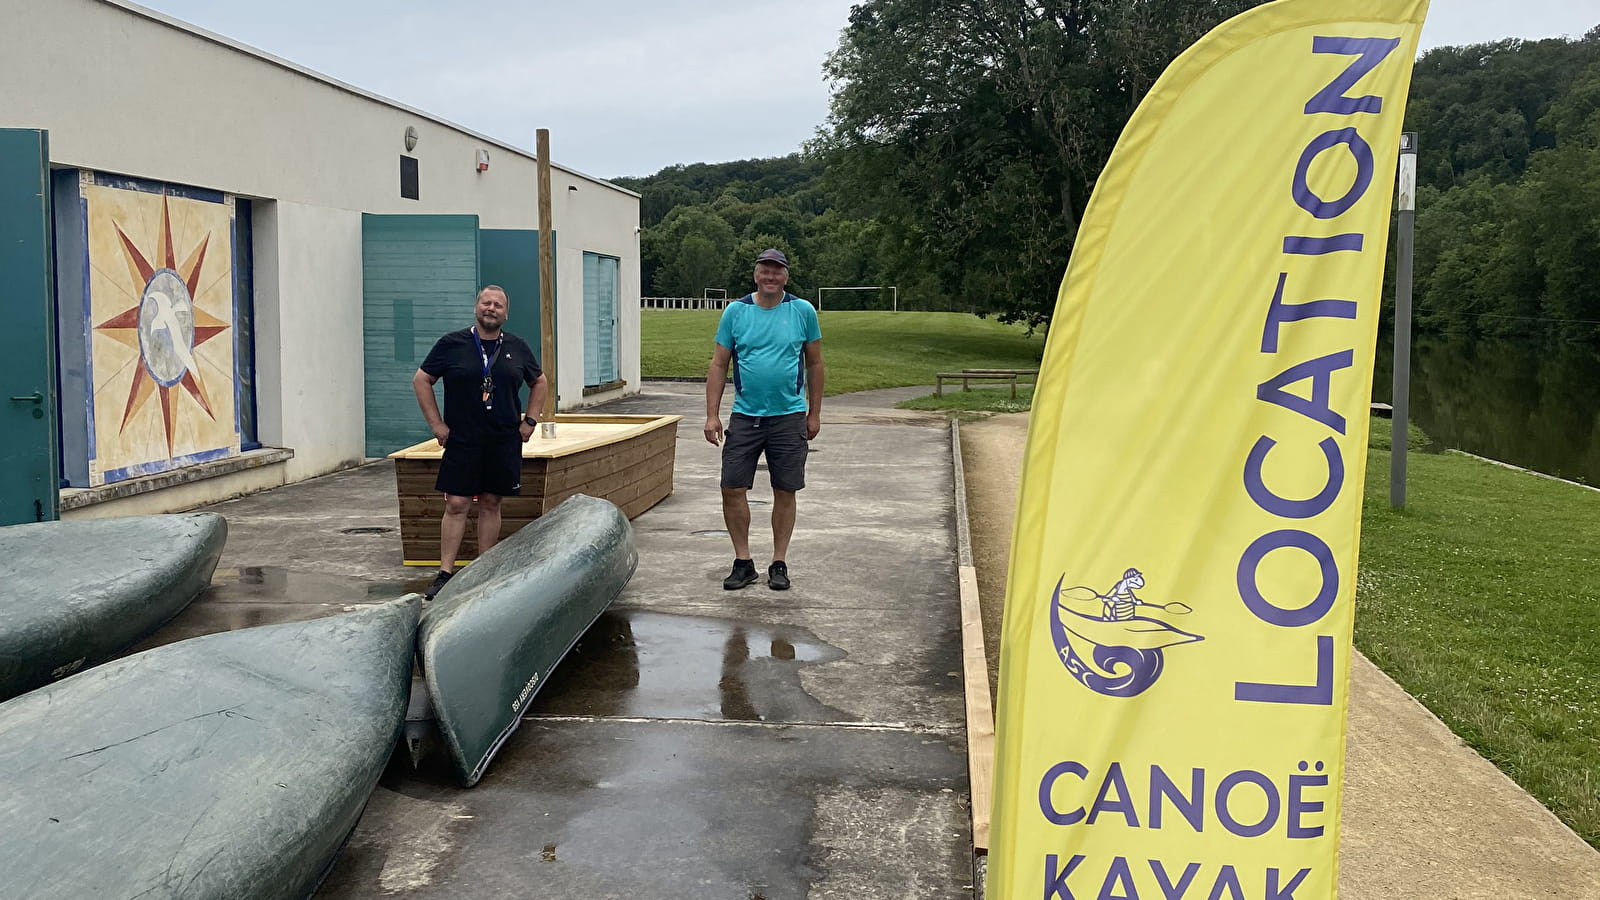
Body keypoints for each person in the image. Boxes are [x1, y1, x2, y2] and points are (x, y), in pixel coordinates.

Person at [412, 285, 548, 599]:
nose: (491, 308)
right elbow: (422, 380)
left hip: (503, 440)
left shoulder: (517, 346)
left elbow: (539, 381)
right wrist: (436, 424)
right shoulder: (452, 344)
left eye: (498, 305)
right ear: (476, 307)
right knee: (457, 504)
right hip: (463, 438)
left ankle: (485, 569)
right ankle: (445, 573)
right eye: (486, 303)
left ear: (506, 313)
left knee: (491, 502)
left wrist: (530, 420)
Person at [704, 248, 824, 591]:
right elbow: (718, 364)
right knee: (731, 487)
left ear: (786, 276)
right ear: (756, 275)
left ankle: (779, 562)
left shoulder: (802, 311)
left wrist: (814, 413)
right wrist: (712, 415)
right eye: (764, 271)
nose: (770, 277)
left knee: (785, 489)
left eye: (777, 271)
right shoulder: (736, 312)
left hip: (788, 416)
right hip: (745, 416)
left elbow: (815, 363)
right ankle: (743, 562)